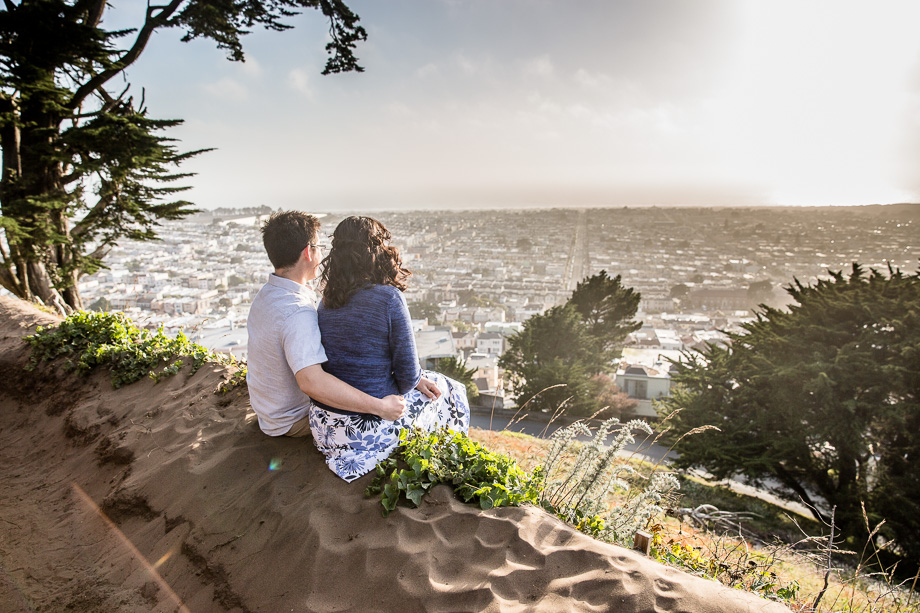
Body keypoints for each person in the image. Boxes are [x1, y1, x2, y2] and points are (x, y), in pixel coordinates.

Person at [312, 216, 470, 482]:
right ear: (376, 252)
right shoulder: (388, 298)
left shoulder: (327, 299)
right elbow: (408, 377)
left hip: (324, 427)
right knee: (451, 391)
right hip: (366, 429)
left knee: (428, 384)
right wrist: (416, 379)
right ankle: (448, 465)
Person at [246, 211, 407, 442]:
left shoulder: (267, 296)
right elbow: (312, 382)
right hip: (293, 420)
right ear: (308, 252)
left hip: (268, 412)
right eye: (319, 245)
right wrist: (380, 406)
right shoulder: (296, 312)